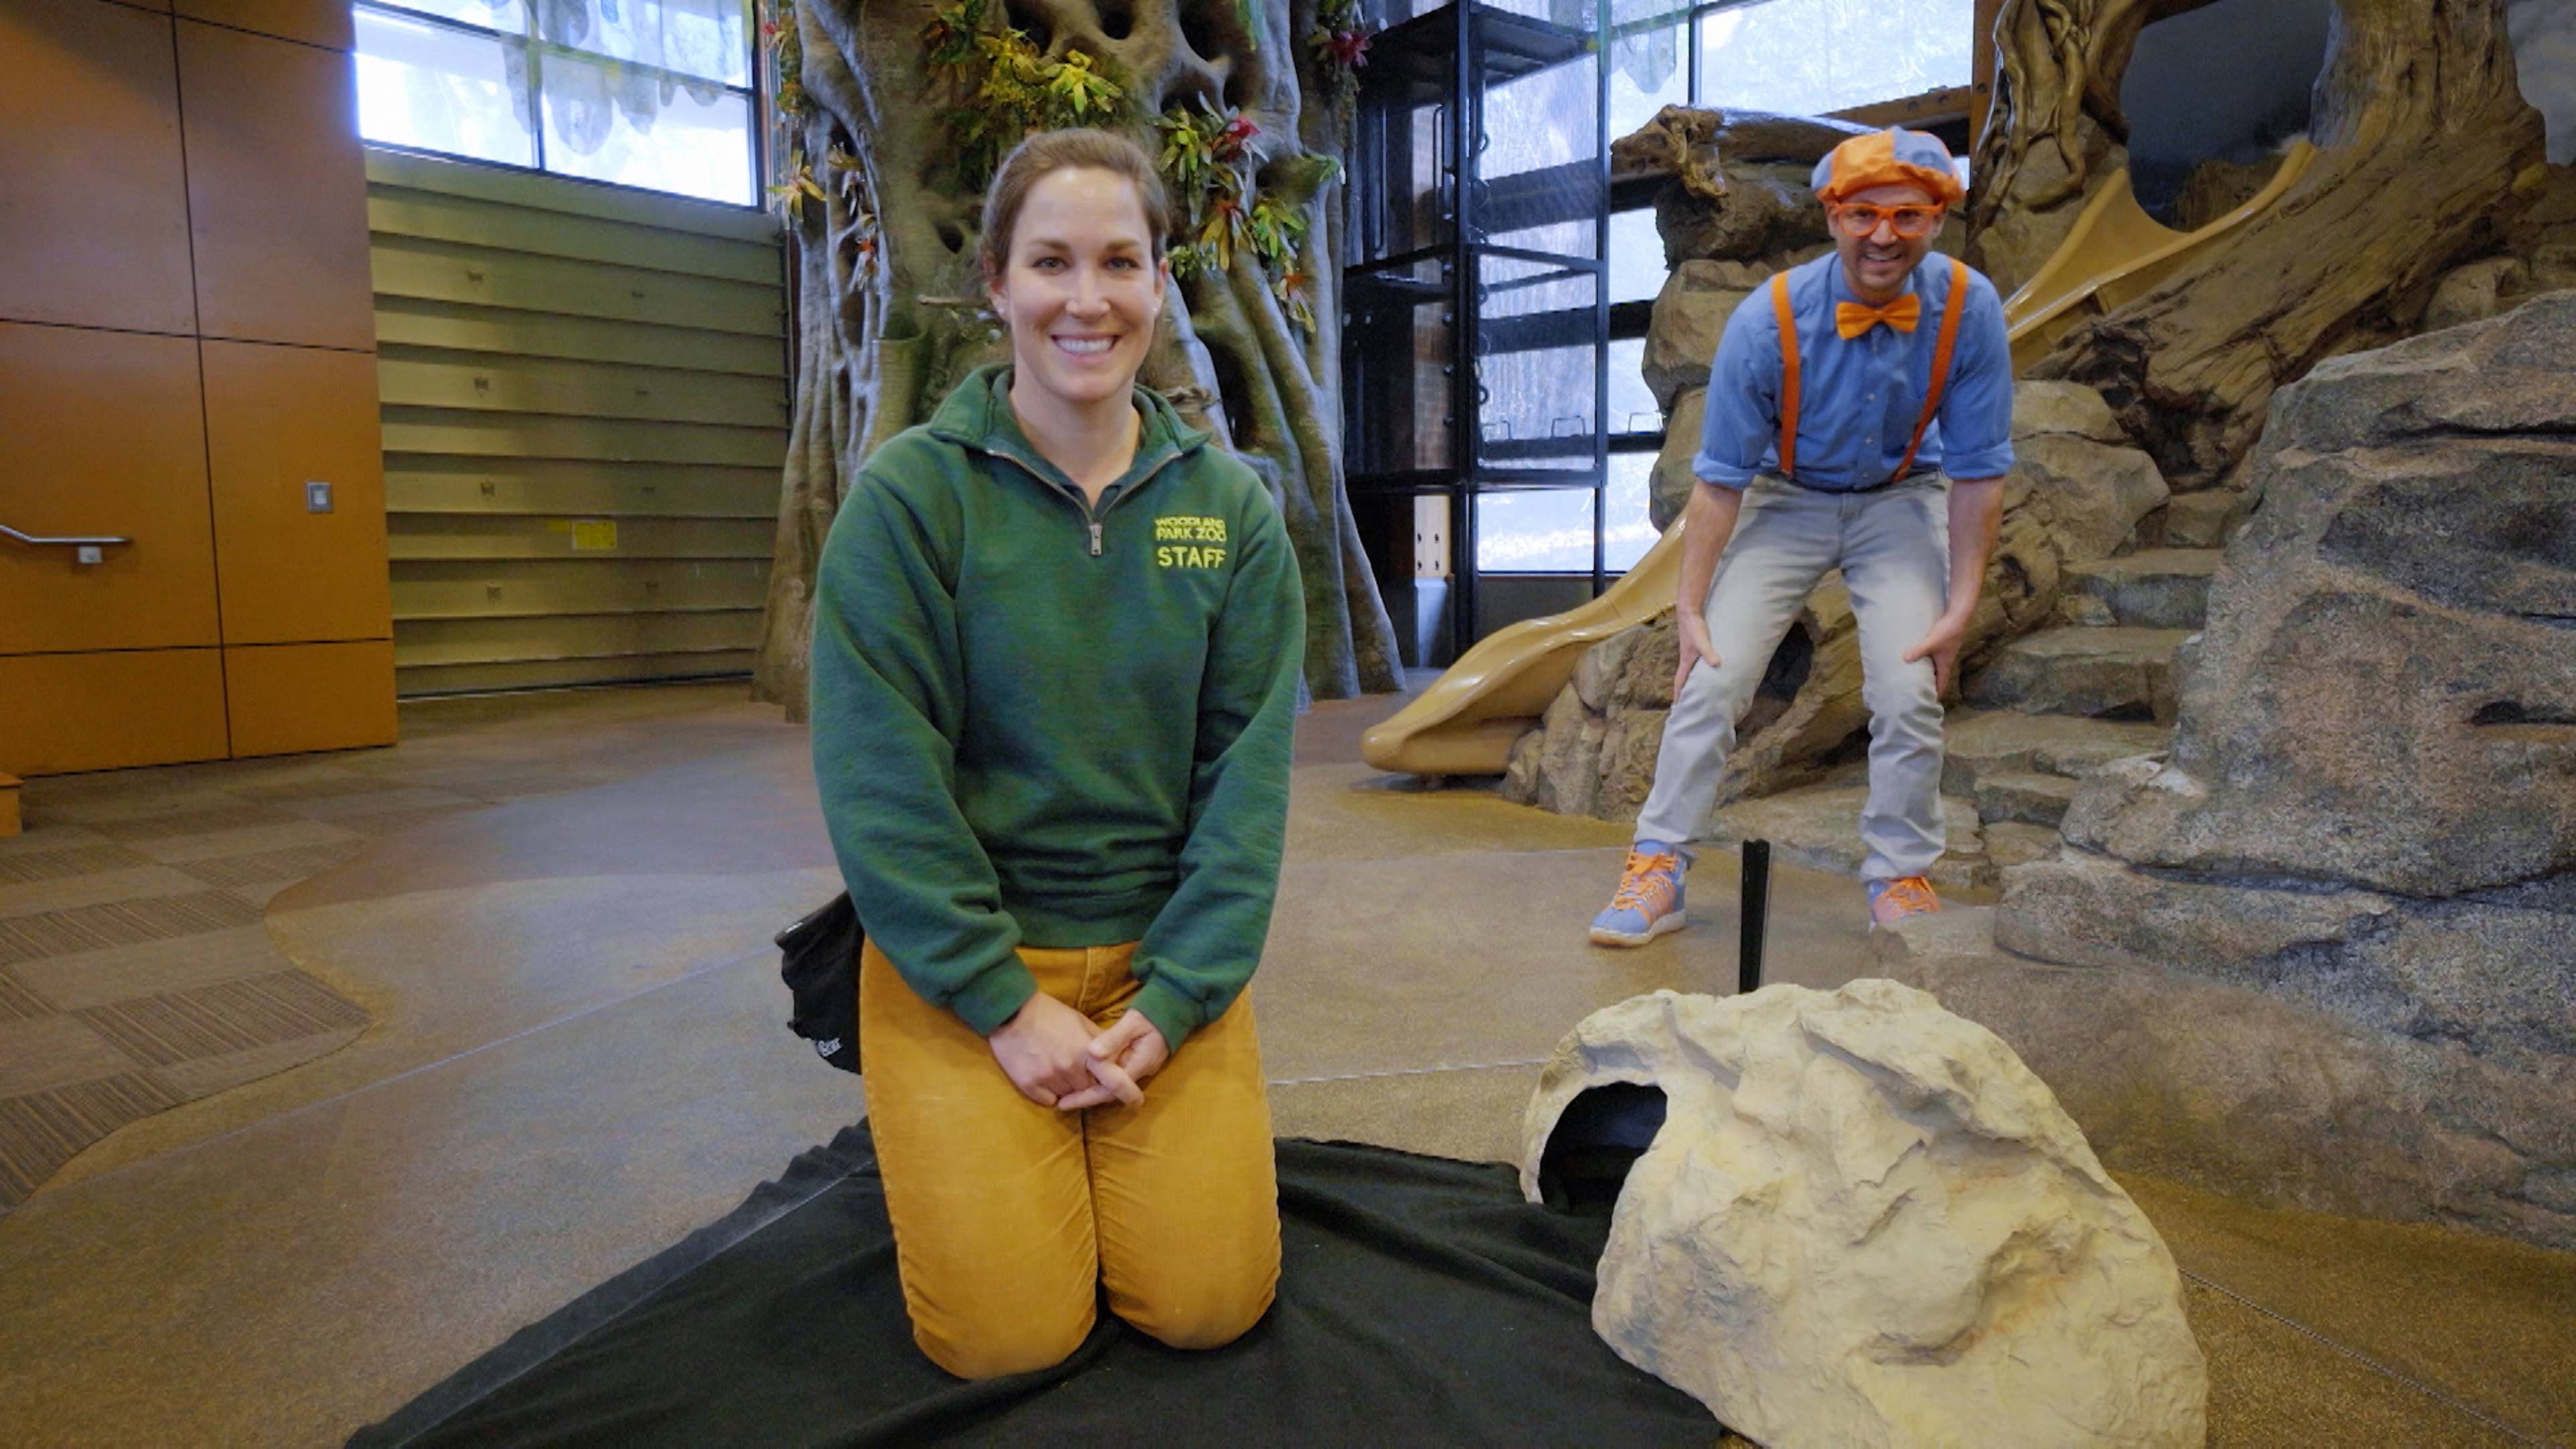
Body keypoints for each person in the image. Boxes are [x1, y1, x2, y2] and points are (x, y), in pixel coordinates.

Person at [808, 128, 1303, 1379]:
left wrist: (1178, 999)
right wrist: (999, 1001)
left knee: (1207, 1303)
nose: (1088, 300)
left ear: (1160, 282)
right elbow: (882, 786)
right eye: (1051, 263)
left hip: (1157, 960)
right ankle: (969, 1134)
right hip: (965, 964)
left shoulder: (1230, 513)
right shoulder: (910, 502)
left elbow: (1245, 786)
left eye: (1120, 262)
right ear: (996, 283)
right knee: (1006, 1338)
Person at [1589, 127, 2015, 945]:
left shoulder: (1970, 309)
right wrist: (1690, 612)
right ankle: (1658, 866)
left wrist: (1961, 605)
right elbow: (1719, 481)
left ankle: (1900, 875)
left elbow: (1979, 472)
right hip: (1786, 499)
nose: (1883, 235)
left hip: (1902, 499)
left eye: (1907, 215)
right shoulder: (1768, 319)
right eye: (1863, 215)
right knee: (1712, 680)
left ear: (1936, 219)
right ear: (1831, 217)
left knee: (1908, 692)